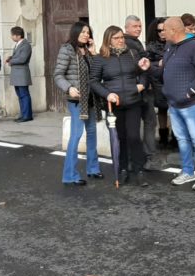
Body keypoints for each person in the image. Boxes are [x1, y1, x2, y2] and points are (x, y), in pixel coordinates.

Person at [141, 17, 195, 191]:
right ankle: (187, 172)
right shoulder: (170, 47)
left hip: (192, 104)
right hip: (174, 104)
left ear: (174, 30)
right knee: (182, 139)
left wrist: (189, 92)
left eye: (164, 30)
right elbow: (161, 72)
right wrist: (149, 67)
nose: (162, 33)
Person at [90, 25, 151, 188]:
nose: (121, 40)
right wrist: (106, 94)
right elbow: (94, 81)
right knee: (120, 138)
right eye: (116, 38)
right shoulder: (100, 58)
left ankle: (139, 170)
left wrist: (142, 86)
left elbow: (143, 71)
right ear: (108, 40)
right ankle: (123, 168)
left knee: (134, 136)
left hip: (133, 101)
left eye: (122, 37)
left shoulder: (132, 54)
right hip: (115, 104)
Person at [53, 21, 105, 186]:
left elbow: (96, 73)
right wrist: (69, 88)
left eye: (88, 32)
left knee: (92, 134)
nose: (86, 35)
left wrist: (94, 53)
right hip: (77, 100)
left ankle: (93, 168)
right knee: (76, 136)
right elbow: (58, 74)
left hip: (91, 98)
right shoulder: (67, 50)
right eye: (83, 32)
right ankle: (69, 175)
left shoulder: (88, 51)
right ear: (76, 33)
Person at [124, 14, 158, 171]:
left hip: (142, 89)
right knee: (141, 125)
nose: (138, 29)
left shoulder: (136, 42)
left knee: (147, 123)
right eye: (135, 26)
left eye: (139, 26)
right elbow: (136, 68)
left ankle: (141, 157)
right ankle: (145, 157)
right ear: (127, 27)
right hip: (137, 90)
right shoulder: (128, 44)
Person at [146, 17, 171, 148]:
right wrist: (158, 64)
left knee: (174, 109)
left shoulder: (174, 43)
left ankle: (176, 137)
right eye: (159, 30)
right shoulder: (151, 46)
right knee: (162, 109)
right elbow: (147, 64)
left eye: (164, 30)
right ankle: (163, 136)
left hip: (173, 81)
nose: (162, 32)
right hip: (158, 81)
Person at [5, 26, 33, 122]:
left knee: (24, 95)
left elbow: (22, 58)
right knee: (20, 95)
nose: (11, 37)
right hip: (17, 74)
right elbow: (18, 56)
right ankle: (23, 114)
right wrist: (11, 57)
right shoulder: (18, 44)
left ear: (18, 35)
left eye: (12, 35)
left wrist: (11, 61)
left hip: (22, 74)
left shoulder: (26, 45)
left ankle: (27, 115)